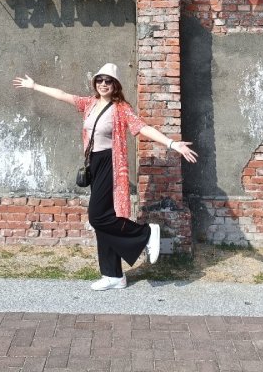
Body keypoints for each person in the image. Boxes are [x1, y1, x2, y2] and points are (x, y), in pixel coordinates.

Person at [12, 63, 198, 290]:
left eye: (108, 81)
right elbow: (62, 95)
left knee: (97, 217)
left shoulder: (121, 109)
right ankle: (113, 275)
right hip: (94, 164)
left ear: (115, 85)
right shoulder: (89, 104)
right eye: (99, 80)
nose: (103, 84)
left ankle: (146, 232)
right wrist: (34, 86)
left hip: (111, 163)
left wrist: (172, 144)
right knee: (104, 222)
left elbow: (143, 128)